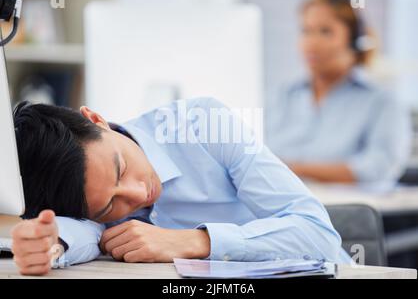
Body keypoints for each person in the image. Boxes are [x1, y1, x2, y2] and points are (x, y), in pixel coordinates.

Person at [11, 97, 350, 276]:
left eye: (121, 168)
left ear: (96, 119)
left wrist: (194, 241)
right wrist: (50, 244)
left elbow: (318, 235)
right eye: (108, 207)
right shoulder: (84, 200)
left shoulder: (203, 125)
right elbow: (81, 233)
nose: (138, 194)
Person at [267, 0, 411, 184]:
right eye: (306, 31)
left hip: (347, 210)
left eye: (325, 31)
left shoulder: (381, 103)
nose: (311, 43)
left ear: (353, 40)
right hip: (284, 208)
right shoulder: (282, 96)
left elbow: (378, 168)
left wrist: (295, 170)